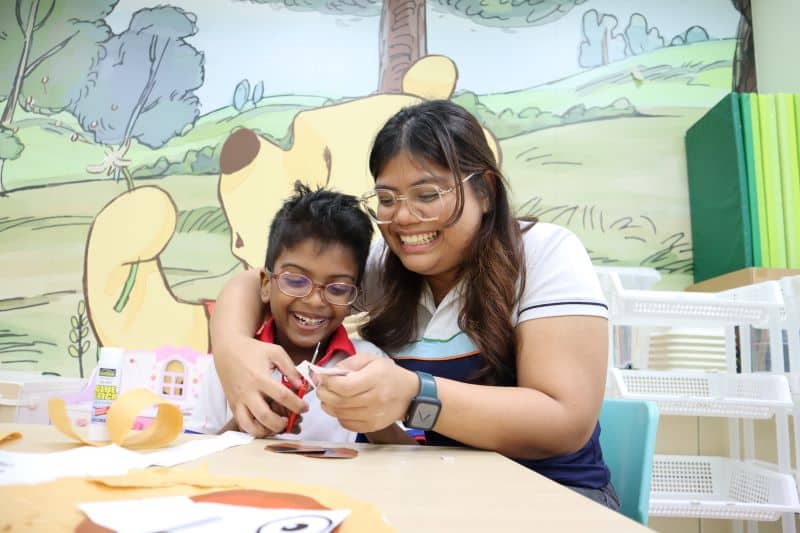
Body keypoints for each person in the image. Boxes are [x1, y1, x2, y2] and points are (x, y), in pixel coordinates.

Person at [209, 100, 618, 509]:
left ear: (486, 191)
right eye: (387, 198)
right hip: (427, 494)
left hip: (550, 497)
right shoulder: (387, 267)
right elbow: (254, 282)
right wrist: (233, 350)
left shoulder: (544, 254)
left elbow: (564, 421)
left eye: (427, 194)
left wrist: (414, 396)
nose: (403, 217)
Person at [191, 182, 411, 444]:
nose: (315, 300)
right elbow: (198, 454)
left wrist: (373, 420)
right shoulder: (234, 362)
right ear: (264, 284)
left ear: (356, 295)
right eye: (295, 281)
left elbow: (406, 460)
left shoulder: (367, 363)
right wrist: (246, 422)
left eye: (338, 288)